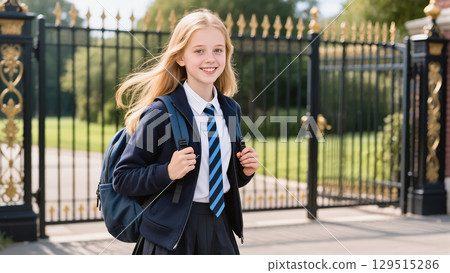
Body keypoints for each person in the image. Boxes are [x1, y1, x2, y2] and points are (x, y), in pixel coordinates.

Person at [113, 9, 259, 255]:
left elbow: (222, 174)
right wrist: (168, 171)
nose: (210, 58)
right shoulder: (161, 113)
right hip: (172, 237)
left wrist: (245, 171)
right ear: (180, 57)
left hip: (220, 230)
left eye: (218, 50)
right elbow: (123, 178)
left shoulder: (230, 109)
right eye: (199, 50)